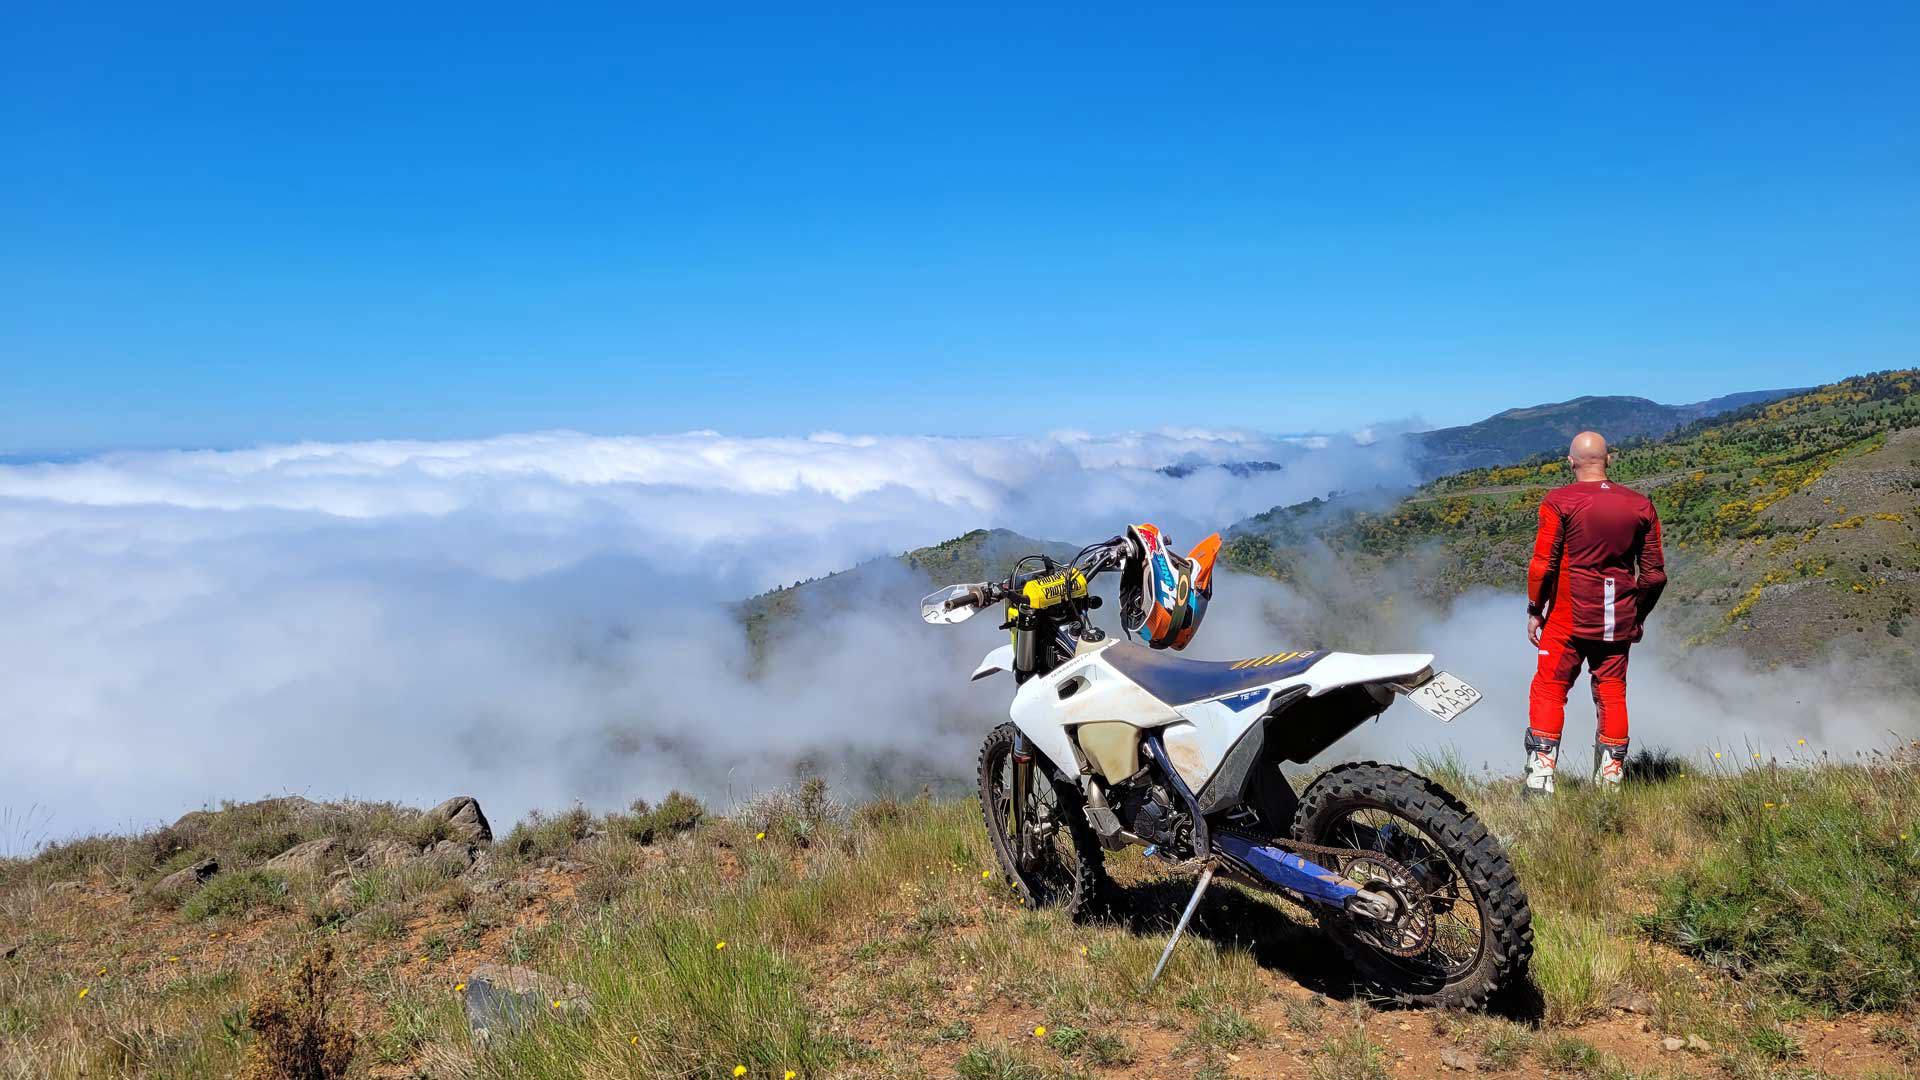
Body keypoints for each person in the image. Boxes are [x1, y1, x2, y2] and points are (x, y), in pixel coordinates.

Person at [1523, 431, 1666, 795]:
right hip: (1617, 618)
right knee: (1612, 691)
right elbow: (1653, 575)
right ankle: (1611, 780)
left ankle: (1540, 779)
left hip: (1568, 619)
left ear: (1570, 462)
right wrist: (1638, 616)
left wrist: (1535, 609)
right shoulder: (1639, 505)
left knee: (1550, 689)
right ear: (1609, 459)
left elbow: (1543, 564)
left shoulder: (1560, 501)